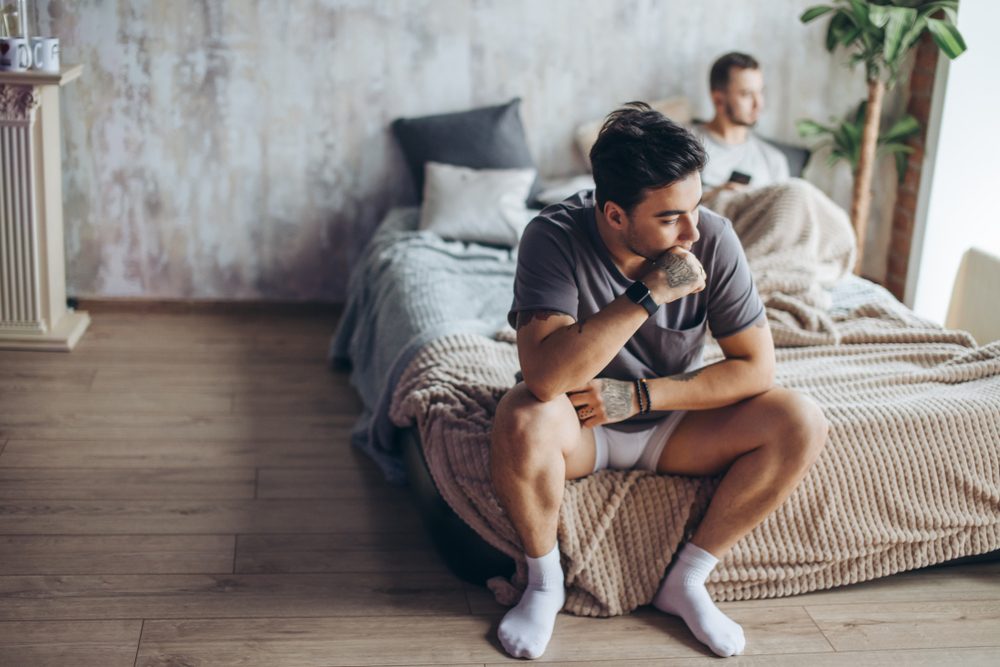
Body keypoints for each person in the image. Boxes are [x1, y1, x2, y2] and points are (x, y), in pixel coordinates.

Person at [490, 102, 828, 659]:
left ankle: (688, 581)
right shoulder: (551, 236)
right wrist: (648, 293)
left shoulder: (711, 237)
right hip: (581, 427)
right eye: (671, 217)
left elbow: (756, 368)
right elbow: (546, 378)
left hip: (675, 424)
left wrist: (643, 395)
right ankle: (544, 584)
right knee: (520, 417)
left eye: (695, 207)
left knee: (800, 419)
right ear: (615, 214)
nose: (692, 231)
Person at [690, 52, 790, 198]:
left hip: (764, 219)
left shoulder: (774, 160)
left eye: (760, 92)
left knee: (797, 191)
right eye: (747, 94)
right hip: (716, 214)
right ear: (719, 100)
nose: (759, 104)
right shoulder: (686, 143)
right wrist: (717, 194)